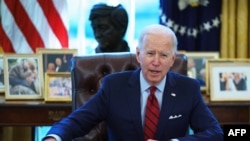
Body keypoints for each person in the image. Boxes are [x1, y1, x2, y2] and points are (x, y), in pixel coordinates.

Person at [43, 24, 223, 141]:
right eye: (150, 53)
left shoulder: (188, 89)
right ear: (139, 55)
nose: (156, 62)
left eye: (164, 55)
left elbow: (215, 133)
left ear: (172, 59)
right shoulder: (114, 86)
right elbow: (77, 121)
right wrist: (54, 137)